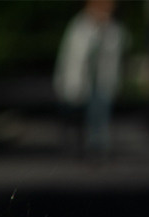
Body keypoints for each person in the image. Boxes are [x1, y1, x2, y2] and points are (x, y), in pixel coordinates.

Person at [55, 0, 125, 157]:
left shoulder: (113, 28)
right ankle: (83, 146)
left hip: (103, 82)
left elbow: (115, 55)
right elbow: (71, 57)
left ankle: (98, 148)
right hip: (82, 82)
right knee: (79, 117)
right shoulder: (79, 26)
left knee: (100, 114)